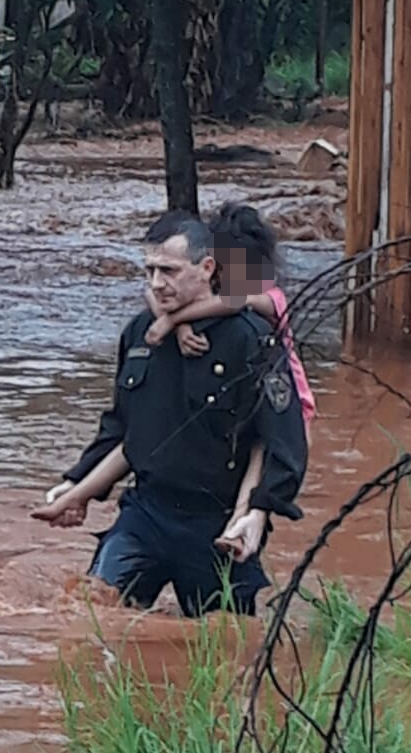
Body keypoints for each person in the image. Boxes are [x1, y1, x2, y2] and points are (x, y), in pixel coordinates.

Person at [33, 210, 308, 617]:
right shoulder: (141, 334)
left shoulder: (250, 340)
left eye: (169, 271)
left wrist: (257, 513)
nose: (157, 283)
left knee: (231, 643)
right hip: (144, 513)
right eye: (150, 271)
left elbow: (279, 439)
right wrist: (77, 483)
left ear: (207, 268)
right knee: (91, 618)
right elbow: (123, 429)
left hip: (215, 526)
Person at [146, 202, 317, 428]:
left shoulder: (271, 298)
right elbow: (149, 292)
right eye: (225, 267)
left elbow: (236, 302)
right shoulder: (215, 295)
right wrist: (180, 327)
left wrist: (172, 320)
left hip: (293, 401)